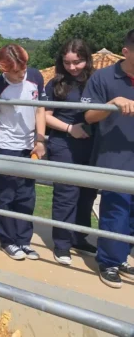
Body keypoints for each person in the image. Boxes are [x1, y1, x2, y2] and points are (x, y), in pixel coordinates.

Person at [81, 29, 134, 289]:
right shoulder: (103, 78)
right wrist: (111, 103)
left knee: (132, 214)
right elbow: (88, 116)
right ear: (126, 51)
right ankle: (109, 262)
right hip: (115, 157)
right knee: (116, 210)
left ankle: (122, 257)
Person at [0, 44, 46, 261]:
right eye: (16, 72)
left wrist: (40, 140)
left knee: (27, 196)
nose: (22, 74)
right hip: (6, 145)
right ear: (4, 70)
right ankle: (7, 240)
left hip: (29, 145)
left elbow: (40, 110)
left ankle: (24, 240)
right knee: (6, 195)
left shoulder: (36, 77)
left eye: (24, 68)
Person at [45, 40, 97, 266]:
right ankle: (62, 244)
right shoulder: (56, 83)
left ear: (87, 59)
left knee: (88, 194)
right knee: (66, 196)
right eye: (67, 62)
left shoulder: (96, 81)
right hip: (63, 143)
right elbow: (44, 115)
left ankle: (79, 237)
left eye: (77, 62)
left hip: (92, 146)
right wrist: (69, 129)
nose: (72, 67)